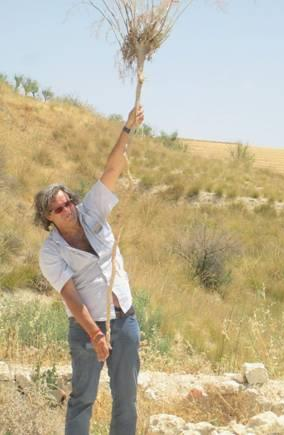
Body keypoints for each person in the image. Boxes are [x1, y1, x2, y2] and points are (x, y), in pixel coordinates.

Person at [34, 106, 144, 435]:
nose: (67, 210)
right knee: (83, 398)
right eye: (57, 208)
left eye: (68, 202)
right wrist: (95, 334)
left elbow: (112, 168)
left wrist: (126, 128)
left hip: (123, 318)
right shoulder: (50, 252)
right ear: (47, 218)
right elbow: (70, 295)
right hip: (85, 329)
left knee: (126, 398)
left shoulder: (92, 209)